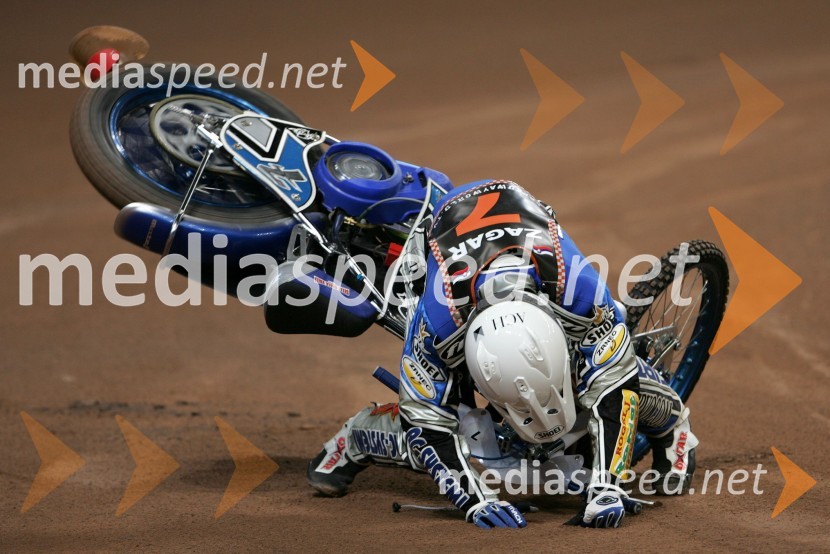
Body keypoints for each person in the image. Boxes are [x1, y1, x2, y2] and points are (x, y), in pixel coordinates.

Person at [307, 180, 697, 529]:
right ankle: (355, 437)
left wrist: (606, 487)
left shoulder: (581, 294)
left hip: (528, 240)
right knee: (453, 425)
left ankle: (674, 426)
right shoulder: (435, 330)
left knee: (614, 364)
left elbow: (617, 389)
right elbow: (425, 421)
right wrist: (475, 500)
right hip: (449, 255)